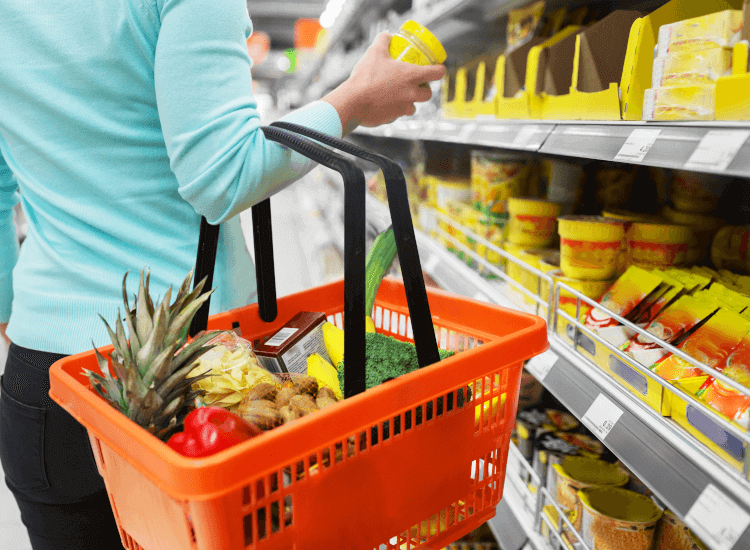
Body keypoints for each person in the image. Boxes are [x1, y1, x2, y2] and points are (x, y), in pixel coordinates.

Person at [0, 0, 446, 548]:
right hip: (193, 377)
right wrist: (351, 101)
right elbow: (223, 176)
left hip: (43, 379)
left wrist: (12, 315)